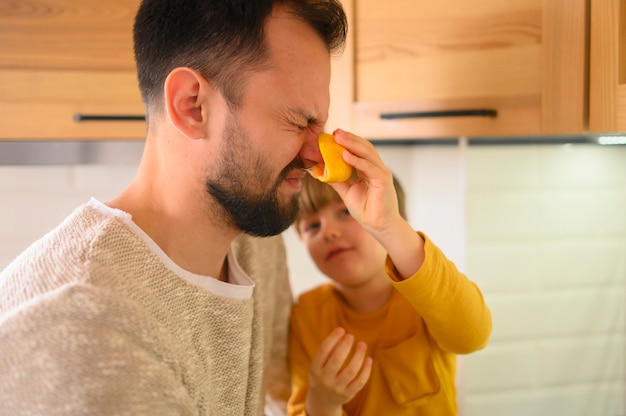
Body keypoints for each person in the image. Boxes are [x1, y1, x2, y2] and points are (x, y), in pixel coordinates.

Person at [0, 1, 347, 415]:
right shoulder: (85, 329)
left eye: (319, 126)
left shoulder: (253, 239)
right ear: (191, 105)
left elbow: (280, 399)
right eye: (297, 121)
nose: (316, 156)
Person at [287, 134, 493, 416]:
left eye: (346, 212)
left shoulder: (426, 297)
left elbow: (474, 335)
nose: (329, 232)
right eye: (312, 226)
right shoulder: (306, 315)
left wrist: (389, 226)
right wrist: (323, 403)